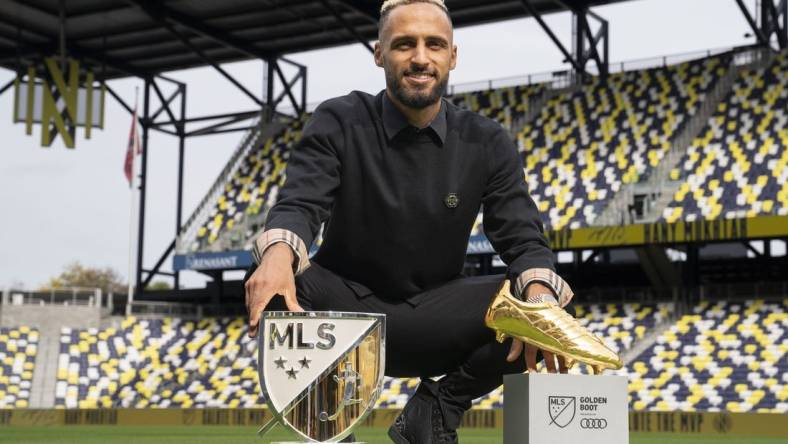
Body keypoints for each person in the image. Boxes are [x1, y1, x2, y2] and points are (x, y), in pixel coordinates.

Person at [244, 0, 576, 442]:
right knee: (274, 272)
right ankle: (329, 429)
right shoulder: (339, 119)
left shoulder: (487, 140)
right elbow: (300, 202)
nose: (420, 57)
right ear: (379, 53)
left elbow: (522, 236)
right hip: (345, 314)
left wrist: (538, 295)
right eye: (404, 44)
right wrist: (278, 255)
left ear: (452, 56)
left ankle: (437, 410)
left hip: (437, 318)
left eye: (434, 44)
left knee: (547, 300)